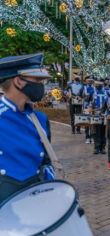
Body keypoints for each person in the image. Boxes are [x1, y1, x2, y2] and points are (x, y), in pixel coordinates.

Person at [0, 53, 55, 203]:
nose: (40, 85)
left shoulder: (40, 119)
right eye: (37, 80)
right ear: (18, 81)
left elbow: (45, 161)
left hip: (35, 198)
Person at [92, 79, 107, 154]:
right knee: (96, 131)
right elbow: (88, 102)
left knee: (103, 131)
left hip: (104, 114)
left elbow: (109, 102)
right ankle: (96, 147)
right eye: (96, 84)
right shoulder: (93, 92)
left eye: (99, 84)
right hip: (95, 113)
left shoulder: (107, 92)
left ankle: (103, 147)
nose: (97, 86)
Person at [83, 76, 95, 144]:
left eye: (91, 80)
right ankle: (87, 137)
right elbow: (80, 96)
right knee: (87, 123)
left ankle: (92, 137)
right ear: (86, 81)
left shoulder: (94, 88)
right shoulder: (83, 87)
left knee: (93, 123)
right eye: (88, 80)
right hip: (86, 107)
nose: (89, 82)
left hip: (93, 107)